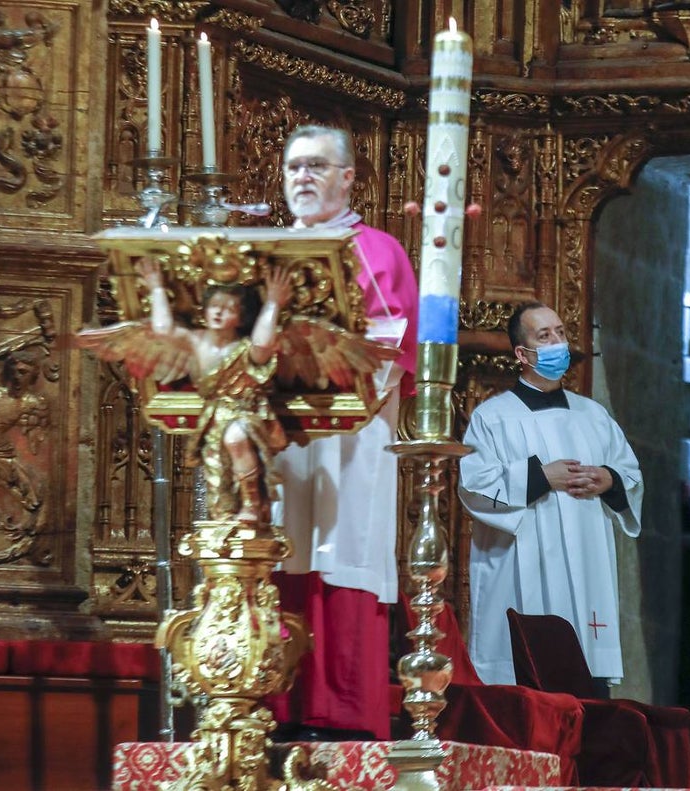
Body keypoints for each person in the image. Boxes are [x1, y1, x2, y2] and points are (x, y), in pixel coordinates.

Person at [268, 124, 418, 741]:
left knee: (342, 551)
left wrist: (321, 390)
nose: (302, 177)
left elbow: (388, 342)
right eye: (294, 167)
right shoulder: (265, 251)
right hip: (274, 435)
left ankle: (340, 711)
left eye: (317, 166)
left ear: (348, 177)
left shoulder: (377, 250)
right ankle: (272, 704)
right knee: (276, 550)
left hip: (347, 437)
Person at [458, 301, 644, 687]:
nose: (557, 341)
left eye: (560, 332)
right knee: (528, 679)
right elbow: (474, 486)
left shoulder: (593, 416)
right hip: (519, 568)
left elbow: (630, 473)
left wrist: (608, 479)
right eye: (545, 336)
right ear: (522, 354)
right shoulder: (491, 418)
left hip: (588, 565)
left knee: (585, 689)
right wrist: (542, 476)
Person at [137, 258, 294, 524]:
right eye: (214, 306)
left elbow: (263, 344)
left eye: (227, 308)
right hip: (214, 417)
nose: (218, 312)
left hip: (246, 412)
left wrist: (274, 302)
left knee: (236, 437)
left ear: (241, 316)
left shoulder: (245, 347)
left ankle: (253, 503)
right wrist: (156, 287)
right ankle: (227, 515)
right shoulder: (195, 340)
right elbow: (163, 331)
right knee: (218, 484)